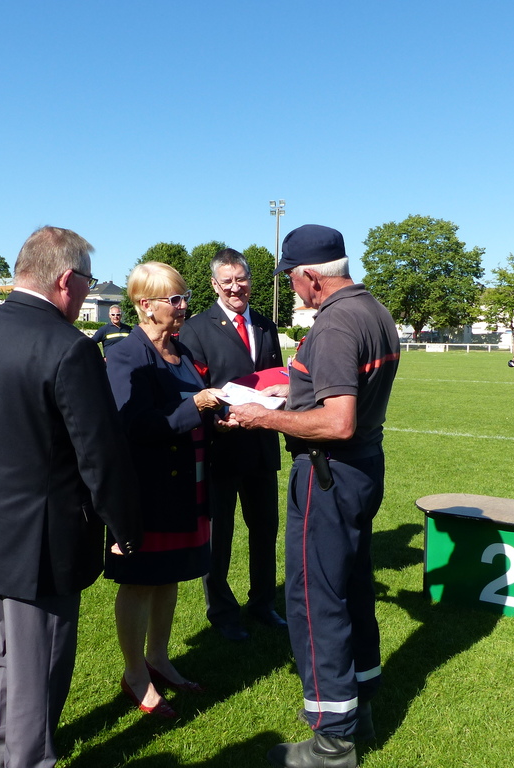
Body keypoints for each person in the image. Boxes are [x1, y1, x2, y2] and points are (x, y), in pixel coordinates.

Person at [0, 226, 142, 768]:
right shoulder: (69, 347)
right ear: (66, 279)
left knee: (8, 657)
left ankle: (0, 753)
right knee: (40, 665)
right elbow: (99, 454)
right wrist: (125, 527)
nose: (87, 293)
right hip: (44, 541)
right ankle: (27, 759)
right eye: (88, 282)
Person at [228, 225, 400, 768]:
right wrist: (294, 392)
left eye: (291, 279)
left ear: (310, 276)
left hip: (329, 473)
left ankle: (332, 741)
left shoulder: (335, 323)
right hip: (362, 468)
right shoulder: (373, 309)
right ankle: (361, 705)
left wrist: (261, 417)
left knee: (314, 600)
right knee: (352, 587)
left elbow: (338, 421)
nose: (292, 288)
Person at [105, 262, 225, 719]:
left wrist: (218, 416)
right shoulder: (126, 355)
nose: (183, 307)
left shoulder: (181, 349)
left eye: (184, 297)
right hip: (148, 490)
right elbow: (133, 425)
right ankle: (135, 673)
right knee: (139, 581)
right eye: (174, 299)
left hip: (187, 484)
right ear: (145, 305)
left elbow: (194, 409)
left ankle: (158, 657)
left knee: (169, 576)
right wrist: (195, 406)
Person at [178, 248, 286, 642]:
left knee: (265, 530)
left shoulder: (266, 325)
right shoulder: (196, 329)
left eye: (242, 279)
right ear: (214, 284)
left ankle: (263, 603)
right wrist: (214, 422)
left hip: (261, 445)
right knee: (219, 536)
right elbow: (191, 390)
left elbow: (277, 377)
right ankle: (223, 611)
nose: (236, 287)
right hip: (220, 448)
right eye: (227, 281)